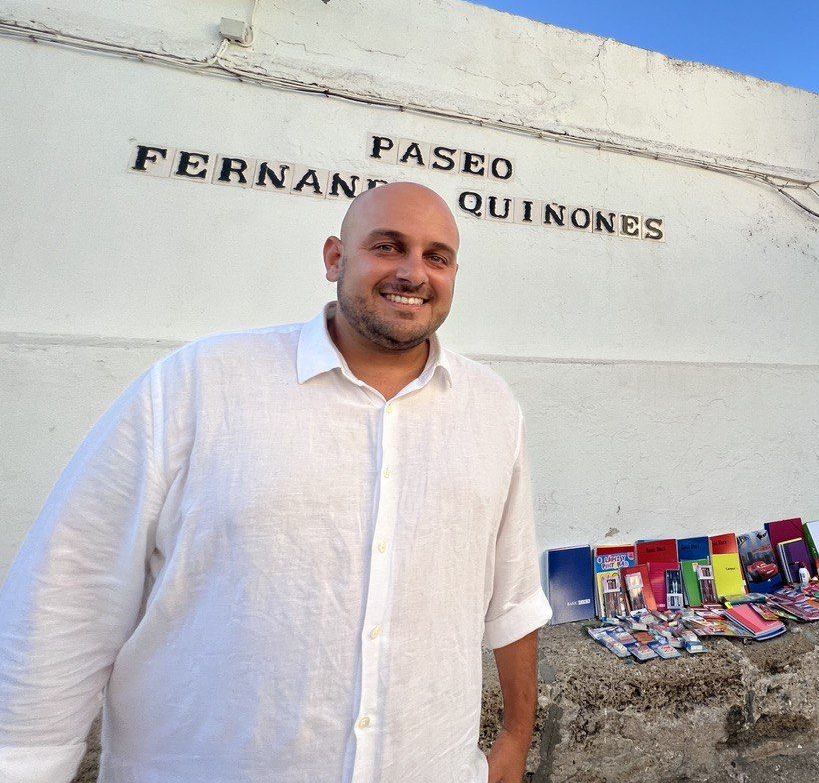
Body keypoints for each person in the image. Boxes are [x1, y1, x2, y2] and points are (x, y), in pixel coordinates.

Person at [0, 182, 552, 783]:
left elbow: (514, 596)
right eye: (388, 247)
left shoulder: (493, 409)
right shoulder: (199, 384)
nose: (413, 273)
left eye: (436, 257)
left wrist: (516, 737)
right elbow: (71, 585)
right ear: (335, 259)